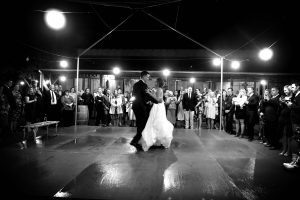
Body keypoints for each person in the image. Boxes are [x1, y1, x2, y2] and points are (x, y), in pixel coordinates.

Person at [138, 77, 174, 151]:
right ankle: (156, 140)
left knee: (157, 123)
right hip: (156, 107)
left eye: (155, 82)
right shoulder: (158, 89)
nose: (154, 83)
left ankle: (157, 139)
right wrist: (151, 100)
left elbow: (159, 100)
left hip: (158, 107)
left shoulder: (160, 89)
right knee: (154, 122)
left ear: (158, 83)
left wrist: (150, 93)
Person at [130, 71, 158, 150]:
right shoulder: (143, 85)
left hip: (137, 107)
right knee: (142, 125)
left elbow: (142, 96)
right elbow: (145, 96)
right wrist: (156, 101)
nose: (148, 78)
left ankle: (137, 141)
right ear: (144, 76)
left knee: (141, 124)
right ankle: (135, 141)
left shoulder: (136, 84)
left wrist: (147, 100)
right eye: (148, 77)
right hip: (140, 108)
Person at [283, 83, 300, 169]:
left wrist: (291, 105)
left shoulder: (299, 96)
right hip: (293, 120)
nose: (292, 89)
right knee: (295, 139)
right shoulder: (295, 95)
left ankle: (295, 162)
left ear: (298, 87)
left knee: (295, 140)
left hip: (297, 121)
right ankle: (294, 161)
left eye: (293, 87)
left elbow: (298, 107)